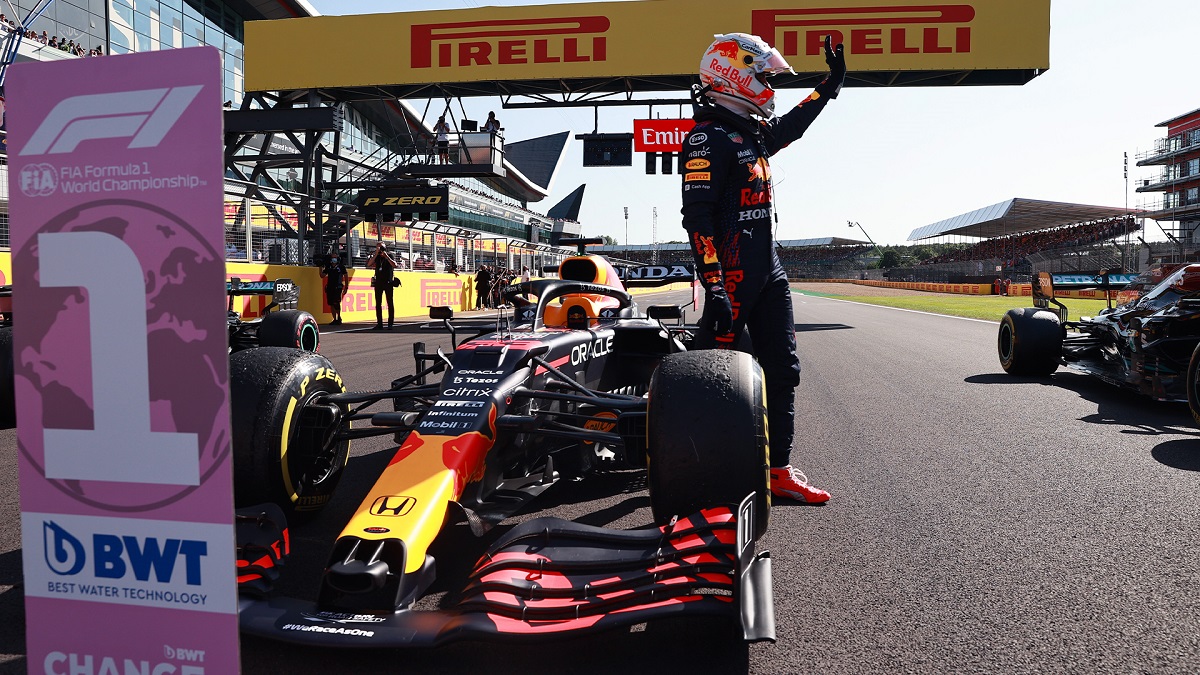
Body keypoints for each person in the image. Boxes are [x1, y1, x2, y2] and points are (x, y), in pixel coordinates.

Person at [681, 33, 846, 504]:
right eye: (763, 75)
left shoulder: (749, 134)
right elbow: (698, 220)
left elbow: (794, 124)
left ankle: (778, 471)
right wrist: (713, 286)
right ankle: (698, 474)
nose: (769, 86)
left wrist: (830, 86)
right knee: (711, 380)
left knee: (784, 370)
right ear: (734, 74)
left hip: (769, 272)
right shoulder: (707, 138)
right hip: (729, 279)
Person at [368, 241, 398, 330]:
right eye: (378, 247)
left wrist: (387, 256)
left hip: (388, 282)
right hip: (378, 283)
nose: (379, 249)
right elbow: (369, 264)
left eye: (381, 247)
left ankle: (390, 323)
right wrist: (376, 254)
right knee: (378, 304)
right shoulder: (376, 257)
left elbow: (395, 265)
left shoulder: (389, 255)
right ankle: (379, 323)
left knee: (390, 303)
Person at [320, 251, 348, 325]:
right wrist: (320, 267)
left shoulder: (341, 266)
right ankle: (334, 319)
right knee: (331, 303)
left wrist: (346, 287)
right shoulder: (328, 266)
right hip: (330, 287)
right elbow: (322, 275)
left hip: (338, 287)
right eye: (332, 258)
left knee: (336, 302)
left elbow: (345, 276)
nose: (334, 259)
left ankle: (339, 317)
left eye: (335, 257)